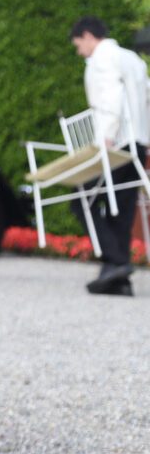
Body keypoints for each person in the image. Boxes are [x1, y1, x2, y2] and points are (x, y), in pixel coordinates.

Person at [69, 16, 149, 295]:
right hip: (137, 141)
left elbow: (111, 98)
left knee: (81, 197)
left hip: (113, 143)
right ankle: (119, 279)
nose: (80, 51)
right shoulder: (133, 59)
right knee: (123, 210)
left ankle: (115, 262)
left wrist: (106, 136)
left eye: (79, 44)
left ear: (88, 36)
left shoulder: (103, 58)